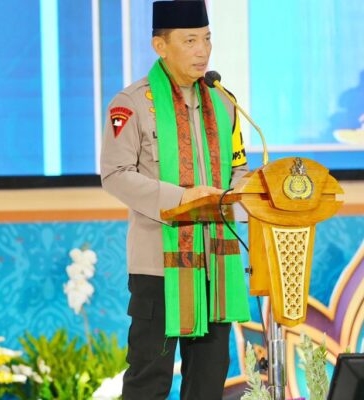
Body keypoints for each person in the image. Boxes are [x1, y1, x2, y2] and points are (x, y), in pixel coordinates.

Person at [100, 1, 251, 398]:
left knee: (208, 383)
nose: (203, 51)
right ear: (160, 46)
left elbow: (238, 170)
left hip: (215, 264)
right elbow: (115, 174)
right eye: (190, 41)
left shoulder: (224, 102)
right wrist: (183, 198)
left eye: (207, 39)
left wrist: (248, 193)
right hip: (158, 267)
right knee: (149, 381)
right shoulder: (131, 104)